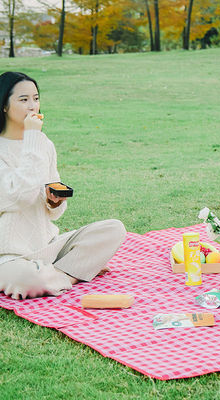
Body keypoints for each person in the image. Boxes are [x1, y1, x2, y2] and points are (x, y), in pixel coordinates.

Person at [0, 72, 126, 300]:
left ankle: (54, 273)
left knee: (114, 228)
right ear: (4, 106)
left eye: (36, 98)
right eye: (23, 99)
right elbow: (21, 197)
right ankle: (70, 275)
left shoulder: (43, 143)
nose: (33, 106)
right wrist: (31, 138)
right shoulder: (23, 143)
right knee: (25, 280)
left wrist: (52, 200)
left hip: (48, 247)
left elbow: (53, 213)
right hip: (8, 254)